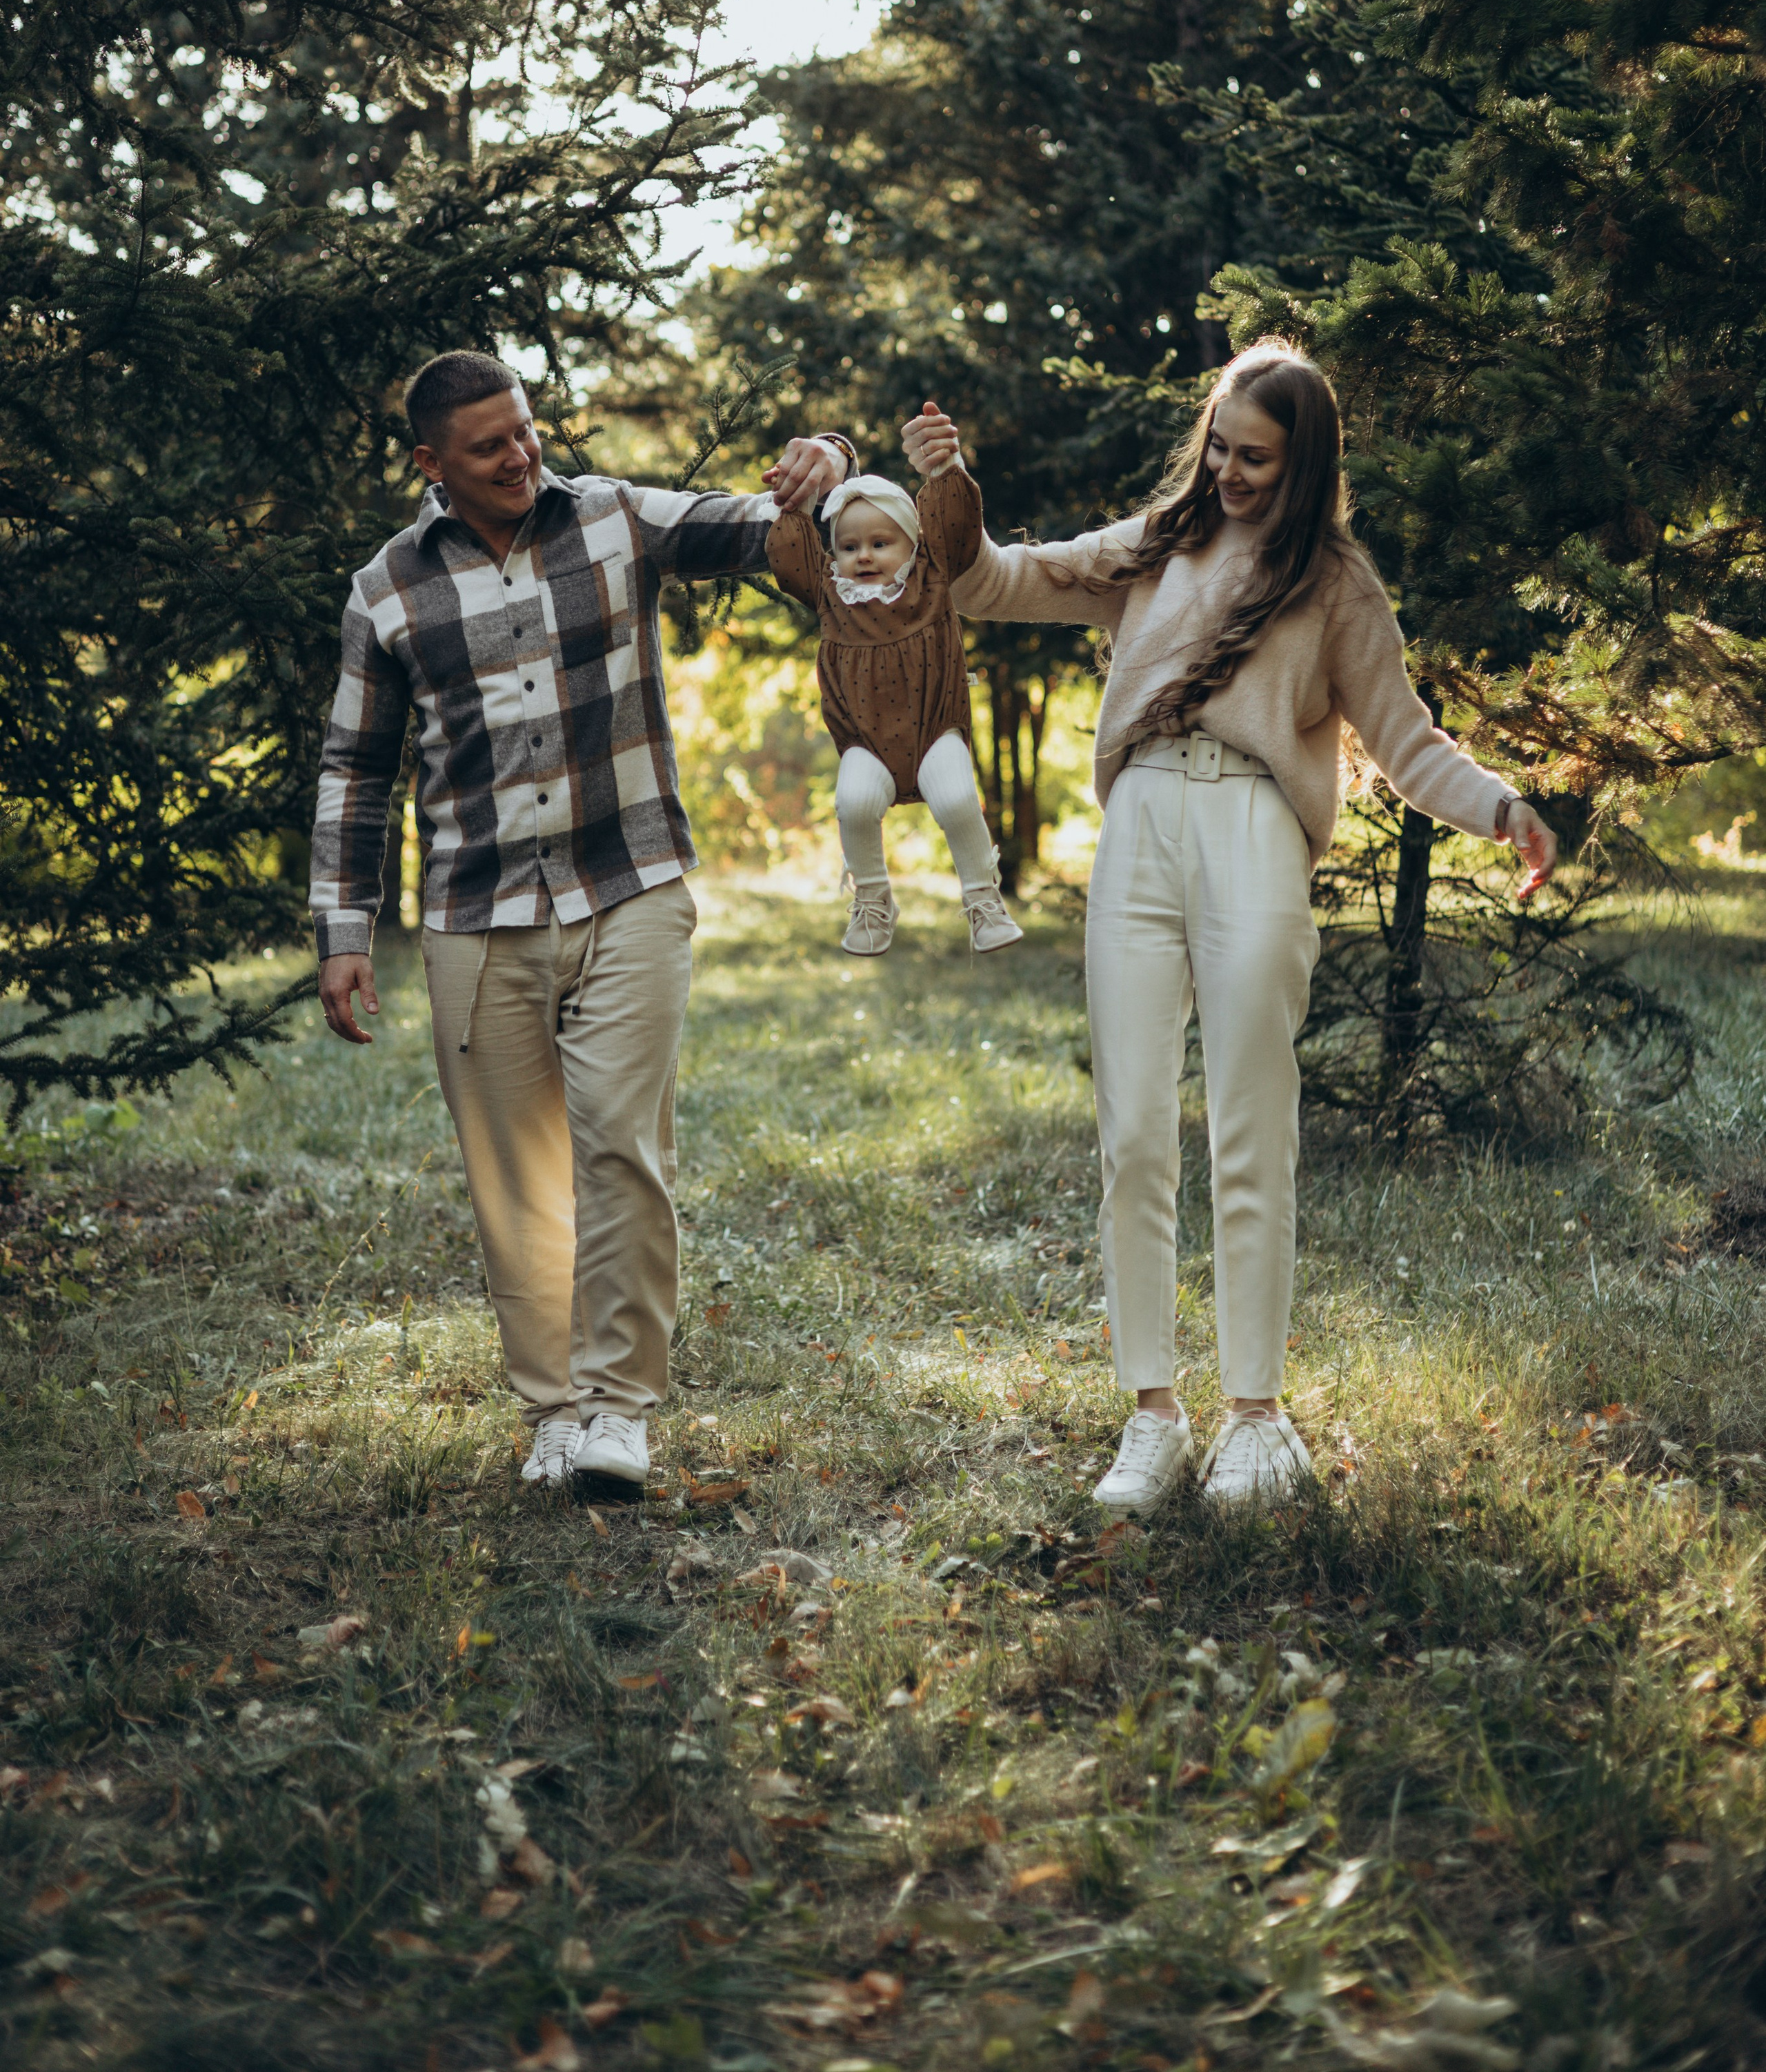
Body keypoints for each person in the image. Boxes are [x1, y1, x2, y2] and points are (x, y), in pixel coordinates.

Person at [902, 344, 1557, 1513]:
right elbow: (991, 581)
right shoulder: (1161, 540)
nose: (1233, 472)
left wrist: (1501, 807)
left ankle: (1256, 1414)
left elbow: (1406, 742)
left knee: (1252, 1120)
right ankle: (1152, 1415)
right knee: (1135, 1129)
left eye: (1258, 458)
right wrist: (951, 493)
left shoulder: (1337, 581)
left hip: (1256, 825)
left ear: (1306, 464)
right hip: (1143, 817)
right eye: (1221, 447)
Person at [310, 351, 855, 1496]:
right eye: (489, 447)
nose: (521, 457)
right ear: (431, 466)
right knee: (516, 1181)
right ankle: (551, 1409)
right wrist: (344, 927)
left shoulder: (613, 515)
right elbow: (356, 768)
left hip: (630, 886)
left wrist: (832, 468)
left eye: (525, 431)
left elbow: (762, 528)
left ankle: (619, 1410)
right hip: (475, 909)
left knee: (621, 1145)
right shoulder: (386, 589)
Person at [767, 462, 1021, 957]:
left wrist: (944, 467)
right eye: (849, 546)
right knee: (854, 802)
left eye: (880, 543)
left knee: (955, 799)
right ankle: (872, 898)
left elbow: (955, 522)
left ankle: (983, 900)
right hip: (867, 741)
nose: (864, 556)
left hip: (933, 728)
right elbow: (790, 556)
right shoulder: (830, 594)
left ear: (912, 542)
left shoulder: (931, 575)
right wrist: (793, 505)